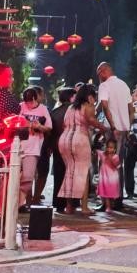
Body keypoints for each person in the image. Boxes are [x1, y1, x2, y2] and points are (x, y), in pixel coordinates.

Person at [58, 85, 101, 214]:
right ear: (90, 97)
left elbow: (64, 124)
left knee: (70, 172)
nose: (95, 100)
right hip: (80, 140)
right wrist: (106, 128)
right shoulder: (88, 106)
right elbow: (92, 120)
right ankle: (84, 207)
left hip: (64, 140)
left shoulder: (70, 107)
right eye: (94, 97)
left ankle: (69, 207)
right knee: (83, 173)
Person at [96, 62, 132, 205]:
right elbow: (131, 109)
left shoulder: (104, 86)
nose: (98, 77)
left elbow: (104, 106)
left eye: (99, 74)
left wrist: (112, 126)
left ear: (103, 71)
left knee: (105, 165)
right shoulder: (124, 85)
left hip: (111, 130)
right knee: (118, 164)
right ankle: (118, 199)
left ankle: (107, 202)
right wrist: (127, 128)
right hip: (123, 130)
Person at [17, 87, 52, 210]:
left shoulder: (43, 109)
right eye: (27, 102)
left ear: (36, 99)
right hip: (18, 147)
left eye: (31, 101)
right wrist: (25, 124)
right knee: (15, 176)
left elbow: (49, 127)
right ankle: (19, 203)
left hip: (33, 148)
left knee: (28, 177)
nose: (29, 105)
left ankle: (22, 201)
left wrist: (39, 127)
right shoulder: (20, 106)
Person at [47, 87, 74, 211]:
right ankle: (71, 203)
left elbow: (50, 132)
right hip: (71, 145)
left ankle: (58, 203)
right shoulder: (75, 111)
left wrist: (49, 146)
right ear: (71, 97)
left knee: (59, 174)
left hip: (57, 145)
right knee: (71, 174)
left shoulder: (54, 112)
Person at [95, 137, 122, 216]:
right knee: (105, 193)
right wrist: (99, 141)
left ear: (115, 149)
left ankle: (111, 205)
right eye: (108, 147)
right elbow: (97, 151)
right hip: (104, 178)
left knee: (111, 193)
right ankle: (108, 207)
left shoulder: (115, 156)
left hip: (112, 179)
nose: (109, 149)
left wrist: (112, 160)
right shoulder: (103, 154)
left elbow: (118, 166)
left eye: (111, 148)